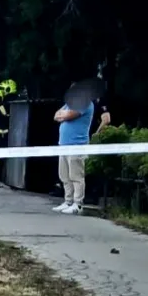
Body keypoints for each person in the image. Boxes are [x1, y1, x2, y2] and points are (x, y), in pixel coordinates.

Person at [53, 84, 95, 214]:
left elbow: (70, 115)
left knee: (76, 176)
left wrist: (64, 115)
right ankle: (68, 201)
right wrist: (63, 114)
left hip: (77, 145)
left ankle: (78, 204)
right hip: (64, 145)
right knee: (64, 175)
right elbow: (56, 115)